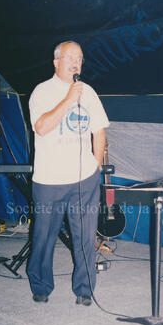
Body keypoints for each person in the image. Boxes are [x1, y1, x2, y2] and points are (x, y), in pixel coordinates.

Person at [27, 41, 109, 305]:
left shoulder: (90, 93)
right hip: (49, 180)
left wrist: (95, 167)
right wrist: (68, 99)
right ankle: (40, 284)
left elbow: (99, 131)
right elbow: (41, 127)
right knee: (43, 236)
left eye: (80, 58)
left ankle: (84, 289)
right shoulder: (42, 92)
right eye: (70, 57)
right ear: (56, 62)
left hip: (84, 180)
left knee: (85, 237)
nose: (76, 62)